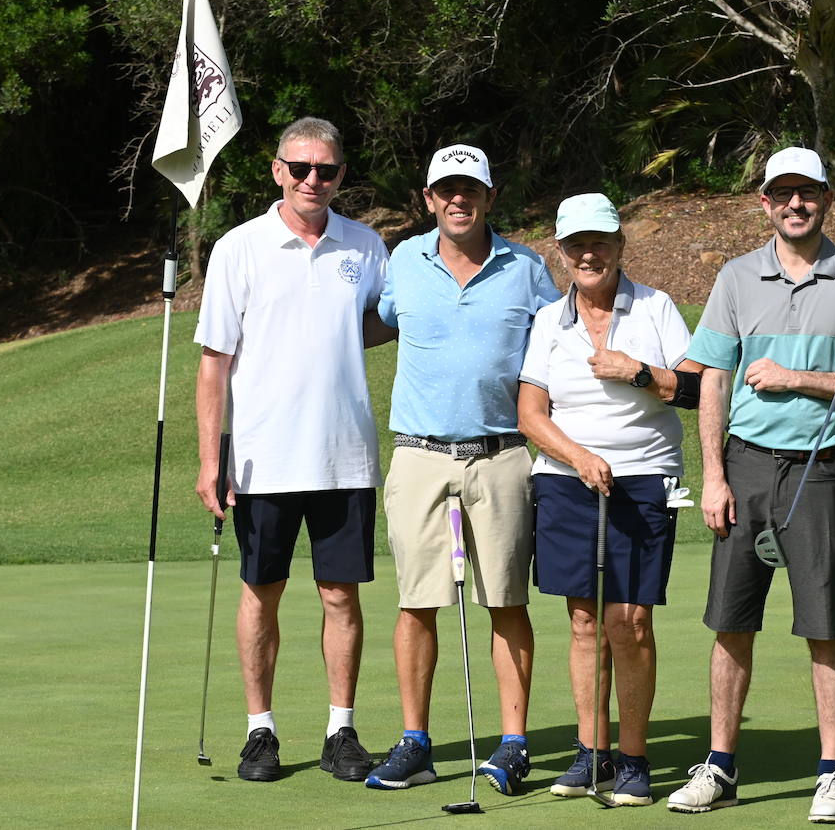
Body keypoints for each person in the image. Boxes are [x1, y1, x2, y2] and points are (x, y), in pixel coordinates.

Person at [664, 147, 835, 823]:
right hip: (743, 466)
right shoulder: (737, 278)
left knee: (824, 628)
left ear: (826, 199)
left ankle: (832, 775)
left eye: (807, 193)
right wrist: (712, 476)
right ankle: (719, 767)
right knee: (730, 623)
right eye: (782, 194)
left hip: (822, 469)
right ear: (764, 203)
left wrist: (799, 378)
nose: (794, 204)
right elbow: (712, 376)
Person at [193, 117, 392, 784]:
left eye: (326, 170)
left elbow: (381, 322)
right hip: (261, 457)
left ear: (340, 175)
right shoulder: (238, 247)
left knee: (341, 597)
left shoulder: (365, 245)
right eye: (300, 168)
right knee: (261, 594)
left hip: (345, 455)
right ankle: (260, 732)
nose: (314, 180)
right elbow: (214, 363)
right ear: (276, 170)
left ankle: (341, 730)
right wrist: (207, 461)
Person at [364, 144, 560, 796]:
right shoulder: (403, 263)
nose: (458, 199)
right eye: (446, 189)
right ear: (428, 199)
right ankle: (415, 742)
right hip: (419, 454)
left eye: (469, 188)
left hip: (502, 454)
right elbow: (372, 323)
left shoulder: (526, 268)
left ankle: (513, 745)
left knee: (506, 600)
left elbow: (561, 349)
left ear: (488, 196)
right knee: (418, 603)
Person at [517, 193, 704, 806]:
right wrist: (577, 456)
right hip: (568, 481)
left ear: (621, 244)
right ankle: (590, 752)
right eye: (576, 245)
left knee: (632, 622)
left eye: (600, 241)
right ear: (562, 253)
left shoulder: (656, 308)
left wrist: (640, 372)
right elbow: (530, 413)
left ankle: (633, 758)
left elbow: (699, 389)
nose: (589, 254)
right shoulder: (549, 321)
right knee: (583, 621)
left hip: (644, 479)